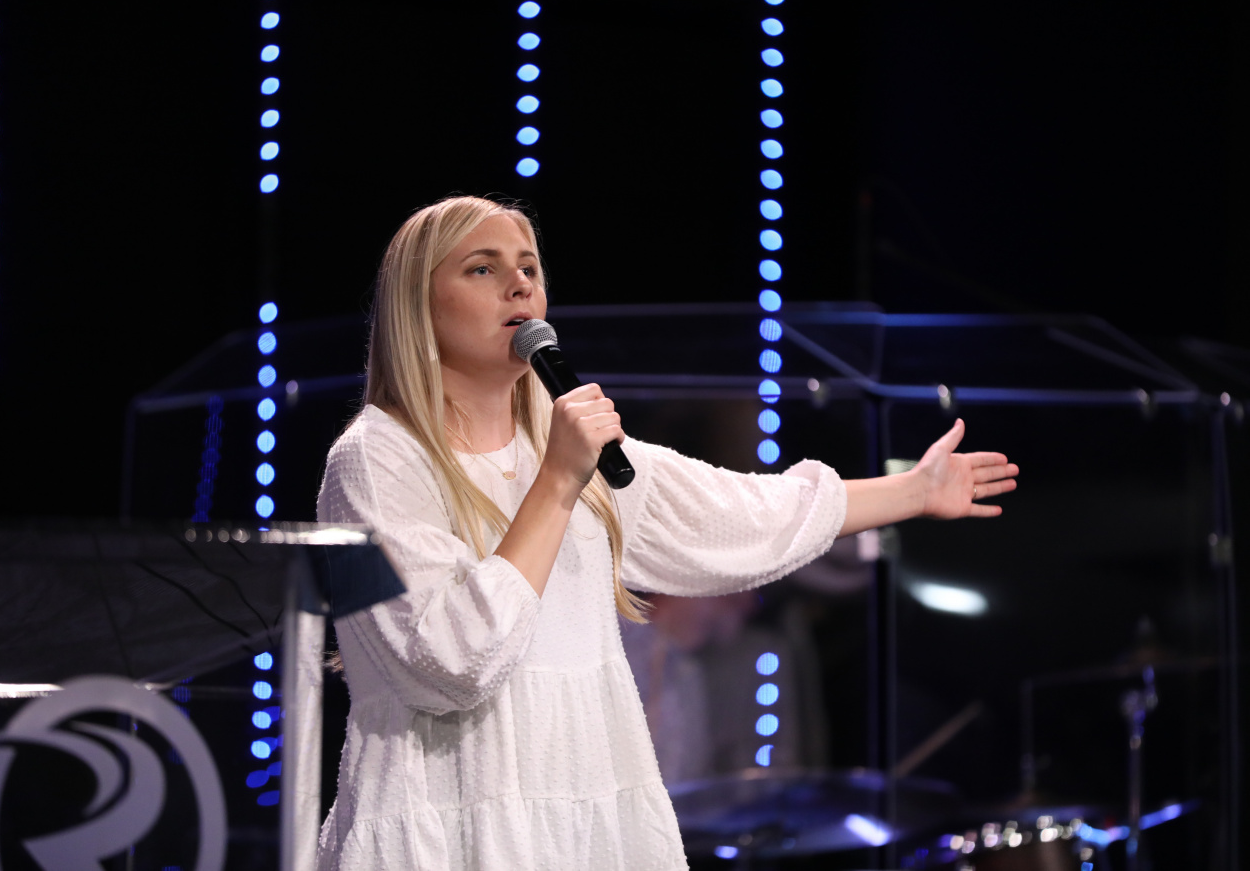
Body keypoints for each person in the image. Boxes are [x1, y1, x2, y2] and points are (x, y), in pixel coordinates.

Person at [314, 195, 1019, 870]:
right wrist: (557, 483)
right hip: (449, 821)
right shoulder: (375, 462)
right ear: (418, 304)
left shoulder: (570, 449)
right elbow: (449, 660)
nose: (519, 284)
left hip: (588, 819)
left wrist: (913, 491)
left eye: (529, 266)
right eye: (482, 267)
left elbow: (741, 514)